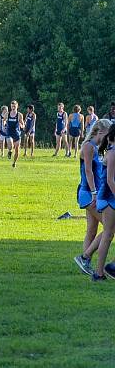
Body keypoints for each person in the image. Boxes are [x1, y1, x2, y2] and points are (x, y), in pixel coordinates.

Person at [72, 119, 111, 275]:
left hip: (92, 193)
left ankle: (84, 263)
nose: (109, 139)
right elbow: (88, 171)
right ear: (100, 132)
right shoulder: (88, 146)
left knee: (92, 230)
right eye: (108, 135)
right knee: (110, 228)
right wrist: (95, 193)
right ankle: (85, 257)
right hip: (88, 193)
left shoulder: (95, 148)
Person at [90, 124, 115, 280]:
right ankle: (99, 273)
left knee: (109, 234)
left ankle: (111, 267)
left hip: (110, 196)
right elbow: (110, 180)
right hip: (108, 197)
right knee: (107, 234)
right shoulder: (112, 153)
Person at [7, 100, 25, 168]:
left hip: (17, 133)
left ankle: (14, 163)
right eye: (12, 106)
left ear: (17, 106)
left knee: (17, 149)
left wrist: (22, 126)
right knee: (11, 144)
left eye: (14, 106)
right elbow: (4, 120)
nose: (13, 107)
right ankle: (10, 151)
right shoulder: (8, 114)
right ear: (11, 106)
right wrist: (4, 123)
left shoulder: (19, 115)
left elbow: (22, 123)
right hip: (9, 132)